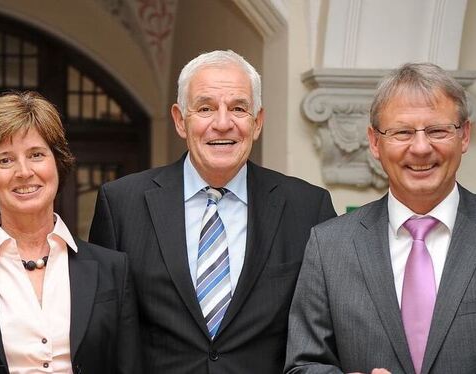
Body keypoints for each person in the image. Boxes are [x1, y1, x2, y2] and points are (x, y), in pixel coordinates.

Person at [89, 49, 336, 373]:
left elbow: (326, 331)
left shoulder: (307, 207)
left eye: (238, 108)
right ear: (180, 120)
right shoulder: (122, 204)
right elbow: (103, 332)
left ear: (257, 121)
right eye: (205, 108)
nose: (223, 123)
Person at [0, 91, 141, 374]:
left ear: (58, 162)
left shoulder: (113, 271)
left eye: (36, 154)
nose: (23, 172)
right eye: (5, 160)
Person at [285, 62, 476, 374]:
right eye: (402, 132)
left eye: (437, 130)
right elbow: (303, 365)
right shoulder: (330, 246)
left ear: (464, 135)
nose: (420, 147)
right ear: (375, 142)